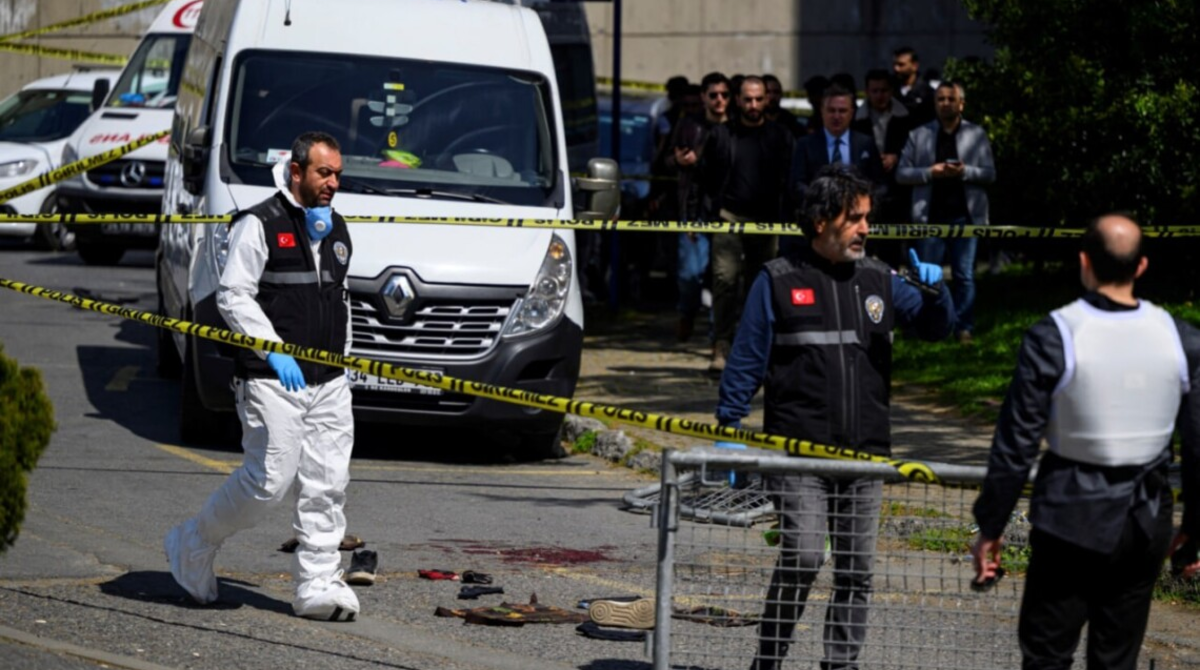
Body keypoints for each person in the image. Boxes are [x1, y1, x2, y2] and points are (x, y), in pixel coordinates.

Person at [715, 166, 955, 670]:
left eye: (867, 217)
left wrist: (939, 292)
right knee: (804, 556)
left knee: (856, 570)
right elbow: (747, 358)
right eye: (855, 218)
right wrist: (728, 428)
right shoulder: (777, 279)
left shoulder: (879, 277)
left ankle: (840, 664)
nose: (866, 228)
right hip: (798, 453)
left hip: (866, 453)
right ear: (822, 220)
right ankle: (769, 659)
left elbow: (937, 328)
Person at [971, 214, 1200, 670]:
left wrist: (991, 527)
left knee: (1047, 656)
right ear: (1141, 266)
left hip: (1068, 517)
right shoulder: (1182, 339)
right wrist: (1193, 528)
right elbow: (1197, 445)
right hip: (1144, 520)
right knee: (1116, 660)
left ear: (1084, 262)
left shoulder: (1054, 334)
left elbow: (1015, 444)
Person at [164, 131, 360, 621]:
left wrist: (344, 363)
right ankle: (194, 541)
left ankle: (318, 584)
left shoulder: (336, 229)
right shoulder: (259, 223)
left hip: (328, 381)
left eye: (337, 174)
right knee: (268, 483)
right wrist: (273, 352)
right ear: (296, 172)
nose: (333, 183)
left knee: (326, 483)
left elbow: (340, 299)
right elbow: (233, 295)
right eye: (324, 173)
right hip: (273, 380)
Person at [698, 75, 794, 372]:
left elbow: (789, 179)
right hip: (729, 217)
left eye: (759, 99)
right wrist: (704, 214)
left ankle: (753, 346)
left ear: (767, 100)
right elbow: (704, 177)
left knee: (760, 285)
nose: (753, 105)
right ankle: (721, 343)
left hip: (767, 221)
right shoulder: (721, 135)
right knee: (724, 280)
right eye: (748, 99)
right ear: (738, 100)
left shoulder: (780, 136)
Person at [896, 80, 995, 344]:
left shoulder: (976, 135)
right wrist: (930, 172)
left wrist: (964, 172)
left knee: (964, 276)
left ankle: (964, 328)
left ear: (961, 104)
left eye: (951, 99)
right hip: (929, 218)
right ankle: (927, 326)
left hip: (966, 218)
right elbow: (901, 173)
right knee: (926, 276)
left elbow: (990, 174)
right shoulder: (919, 135)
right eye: (940, 99)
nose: (945, 104)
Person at [666, 72, 730, 342]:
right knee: (690, 274)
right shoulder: (689, 125)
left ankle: (718, 335)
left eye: (724, 95)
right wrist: (679, 161)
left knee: (723, 277)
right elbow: (666, 160)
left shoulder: (736, 127)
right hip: (694, 210)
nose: (719, 100)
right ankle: (687, 312)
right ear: (704, 96)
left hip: (728, 210)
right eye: (713, 95)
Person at [787, 84, 885, 257]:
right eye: (831, 110)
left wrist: (862, 204)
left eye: (842, 111)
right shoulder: (805, 144)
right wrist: (823, 203)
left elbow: (880, 183)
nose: (837, 116)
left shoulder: (866, 143)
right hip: (819, 226)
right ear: (822, 112)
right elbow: (796, 184)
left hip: (856, 225)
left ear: (852, 113)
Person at [852, 68, 912, 224]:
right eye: (875, 91)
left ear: (891, 91)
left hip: (899, 188)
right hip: (866, 187)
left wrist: (897, 157)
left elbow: (914, 148)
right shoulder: (856, 120)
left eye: (884, 91)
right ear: (867, 92)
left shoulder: (906, 117)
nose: (880, 96)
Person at [891, 46, 935, 126]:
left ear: (914, 66)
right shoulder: (889, 90)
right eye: (894, 64)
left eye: (901, 65)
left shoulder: (927, 93)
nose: (896, 69)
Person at [762, 74, 805, 138]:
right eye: (767, 92)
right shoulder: (754, 120)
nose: (772, 97)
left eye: (776, 92)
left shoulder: (790, 121)